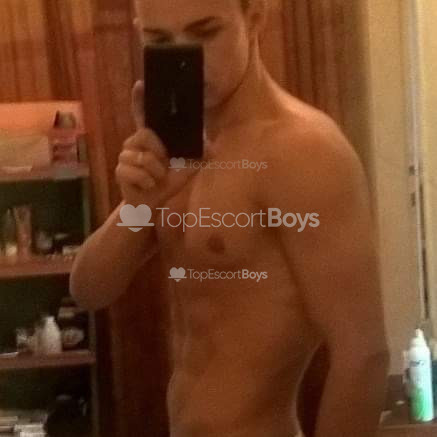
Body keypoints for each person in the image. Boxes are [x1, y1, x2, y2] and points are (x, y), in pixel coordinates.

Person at [70, 0, 390, 436]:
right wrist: (139, 205)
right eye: (159, 40)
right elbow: (89, 289)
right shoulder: (178, 149)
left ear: (254, 17)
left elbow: (364, 355)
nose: (188, 56)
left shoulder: (303, 150)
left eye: (205, 32)